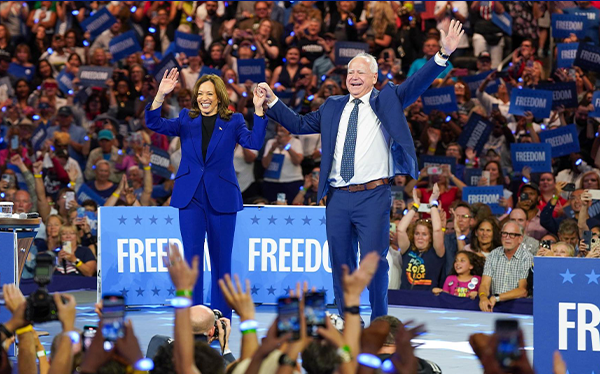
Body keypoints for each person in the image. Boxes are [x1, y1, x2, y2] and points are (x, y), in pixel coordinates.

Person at [258, 20, 465, 319]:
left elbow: (416, 83)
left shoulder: (387, 99)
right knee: (341, 264)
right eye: (350, 72)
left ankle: (380, 321)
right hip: (338, 198)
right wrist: (272, 101)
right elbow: (299, 125)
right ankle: (347, 320)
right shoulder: (332, 105)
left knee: (375, 262)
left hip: (374, 196)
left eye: (360, 72)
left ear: (374, 76)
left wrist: (442, 56)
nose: (353, 77)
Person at [145, 69, 268, 319]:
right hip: (190, 198)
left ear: (219, 96)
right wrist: (160, 94)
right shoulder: (185, 118)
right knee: (192, 261)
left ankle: (221, 318)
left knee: (222, 261)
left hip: (222, 198)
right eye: (200, 93)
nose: (204, 98)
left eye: (209, 93)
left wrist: (258, 109)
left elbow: (254, 143)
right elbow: (154, 123)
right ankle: (195, 319)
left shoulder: (233, 121)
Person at [397, 185, 446, 291]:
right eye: (417, 233)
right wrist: (415, 206)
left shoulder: (437, 251)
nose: (420, 237)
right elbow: (400, 230)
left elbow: (437, 230)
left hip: (427, 300)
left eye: (424, 234)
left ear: (430, 237)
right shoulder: (407, 249)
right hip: (404, 298)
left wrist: (433, 203)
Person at [478, 220, 533, 312]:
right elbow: (485, 284)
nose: (507, 238)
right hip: (495, 305)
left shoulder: (527, 257)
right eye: (505, 234)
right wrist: (483, 297)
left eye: (512, 235)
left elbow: (523, 291)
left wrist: (497, 297)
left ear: (520, 238)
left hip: (517, 306)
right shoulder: (493, 254)